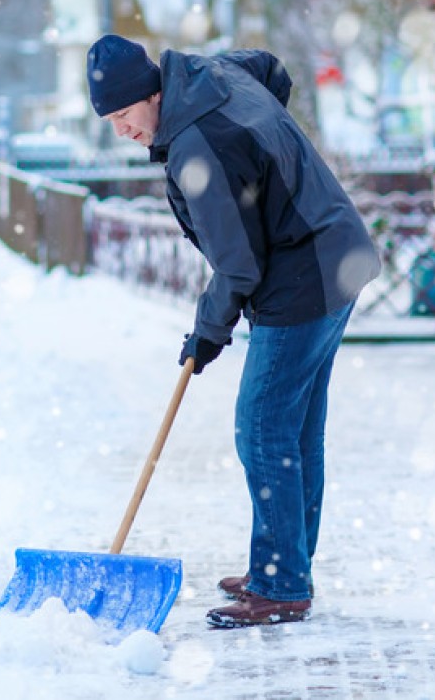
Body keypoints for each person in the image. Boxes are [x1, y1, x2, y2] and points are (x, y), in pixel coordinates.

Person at [86, 35, 380, 628]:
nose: (120, 131)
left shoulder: (200, 146)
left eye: (123, 115)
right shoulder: (210, 77)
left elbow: (239, 264)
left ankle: (282, 583)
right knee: (294, 431)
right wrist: (270, 155)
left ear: (152, 94)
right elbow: (270, 69)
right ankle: (285, 564)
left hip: (303, 279)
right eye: (110, 121)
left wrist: (207, 332)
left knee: (263, 429)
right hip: (334, 255)